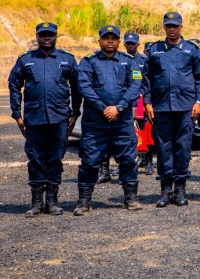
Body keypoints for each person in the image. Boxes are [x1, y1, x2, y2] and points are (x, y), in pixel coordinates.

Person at [9, 22, 80, 217]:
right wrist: (17, 115)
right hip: (34, 118)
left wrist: (75, 113)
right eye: (43, 35)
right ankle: (36, 202)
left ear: (56, 36)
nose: (46, 38)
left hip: (59, 118)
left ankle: (52, 201)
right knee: (36, 159)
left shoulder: (67, 59)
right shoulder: (26, 60)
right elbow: (14, 85)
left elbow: (77, 87)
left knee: (56, 159)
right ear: (37, 37)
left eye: (50, 34)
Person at [73, 25, 144, 216]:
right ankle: (84, 201)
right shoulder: (89, 61)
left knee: (128, 160)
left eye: (114, 38)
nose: (110, 41)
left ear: (119, 41)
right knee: (89, 161)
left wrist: (119, 107)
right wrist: (104, 108)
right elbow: (84, 87)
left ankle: (131, 198)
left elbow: (136, 84)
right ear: (100, 41)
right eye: (106, 38)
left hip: (122, 122)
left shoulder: (129, 62)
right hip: (96, 123)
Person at [142, 12, 200, 208]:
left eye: (175, 26)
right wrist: (147, 102)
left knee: (183, 148)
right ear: (164, 27)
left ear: (181, 27)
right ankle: (165, 190)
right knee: (163, 149)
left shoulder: (191, 50)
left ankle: (180, 189)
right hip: (161, 108)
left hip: (185, 108)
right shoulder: (155, 50)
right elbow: (146, 79)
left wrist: (199, 103)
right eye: (168, 25)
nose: (172, 29)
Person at [124, 32, 155, 175]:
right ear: (124, 44)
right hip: (126, 102)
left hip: (141, 101)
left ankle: (148, 162)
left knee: (145, 132)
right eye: (128, 43)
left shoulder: (144, 60)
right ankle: (127, 163)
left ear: (138, 45)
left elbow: (149, 81)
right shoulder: (120, 60)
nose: (131, 46)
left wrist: (147, 100)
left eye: (133, 43)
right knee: (127, 134)